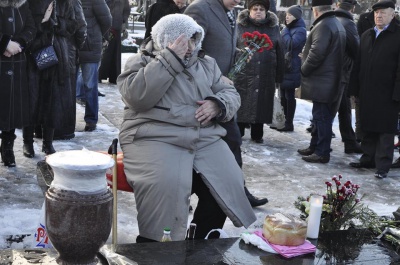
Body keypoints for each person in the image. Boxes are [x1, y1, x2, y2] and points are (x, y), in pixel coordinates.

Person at [117, 14, 256, 243]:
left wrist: (217, 104)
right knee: (165, 184)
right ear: (166, 39)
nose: (190, 47)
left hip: (203, 137)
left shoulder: (206, 64)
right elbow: (136, 97)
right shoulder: (141, 62)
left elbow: (230, 92)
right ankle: (157, 249)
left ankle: (200, 244)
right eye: (183, 41)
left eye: (194, 40)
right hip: (154, 136)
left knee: (225, 184)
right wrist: (169, 59)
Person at [185, 0, 269, 207]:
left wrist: (238, 55)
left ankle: (239, 190)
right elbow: (189, 49)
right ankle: (182, 194)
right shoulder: (200, 8)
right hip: (202, 93)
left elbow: (218, 45)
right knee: (210, 145)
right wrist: (214, 75)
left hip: (222, 94)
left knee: (232, 143)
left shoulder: (229, 12)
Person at [25, 0, 85, 156]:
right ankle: (27, 142)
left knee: (52, 100)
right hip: (34, 51)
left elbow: (75, 25)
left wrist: (55, 22)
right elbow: (24, 23)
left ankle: (48, 143)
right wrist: (43, 21)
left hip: (57, 54)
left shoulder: (68, 2)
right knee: (31, 99)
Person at [349, 0, 400, 179]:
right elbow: (358, 63)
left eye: (383, 13)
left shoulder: (397, 35)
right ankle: (367, 158)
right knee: (367, 126)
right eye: (376, 12)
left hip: (388, 92)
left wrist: (397, 93)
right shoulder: (367, 35)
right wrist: (354, 87)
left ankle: (383, 165)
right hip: (367, 89)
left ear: (392, 15)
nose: (378, 15)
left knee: (385, 130)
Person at [297, 0, 346, 164]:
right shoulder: (334, 23)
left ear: (315, 11)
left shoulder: (324, 25)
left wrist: (303, 68)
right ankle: (315, 146)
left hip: (323, 80)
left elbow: (317, 53)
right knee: (319, 116)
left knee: (322, 118)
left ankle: (322, 152)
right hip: (328, 79)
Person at [235, 0, 285, 141]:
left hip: (266, 74)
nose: (258, 11)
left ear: (266, 12)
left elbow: (280, 51)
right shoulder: (240, 26)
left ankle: (257, 134)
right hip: (243, 75)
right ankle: (239, 132)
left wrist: (279, 77)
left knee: (261, 104)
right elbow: (233, 48)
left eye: (261, 9)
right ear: (249, 10)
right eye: (255, 8)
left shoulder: (273, 28)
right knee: (242, 103)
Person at [0, 0, 36, 167]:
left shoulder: (23, 4)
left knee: (12, 107)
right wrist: (5, 43)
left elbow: (31, 28)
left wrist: (19, 43)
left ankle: (8, 146)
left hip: (18, 62)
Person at [76, 0, 112, 132]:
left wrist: (94, 34)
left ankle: (91, 120)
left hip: (90, 46)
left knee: (90, 86)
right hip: (71, 47)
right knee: (68, 87)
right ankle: (67, 120)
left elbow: (107, 21)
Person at [334, 0, 362, 154]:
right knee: (343, 108)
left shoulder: (334, 20)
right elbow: (355, 48)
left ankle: (349, 141)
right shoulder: (348, 23)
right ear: (352, 7)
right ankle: (349, 142)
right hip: (343, 71)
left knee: (332, 108)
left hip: (332, 71)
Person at [279, 5, 306, 132]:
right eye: (286, 15)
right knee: (282, 95)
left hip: (292, 67)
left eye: (289, 15)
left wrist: (284, 31)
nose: (287, 17)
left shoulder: (300, 30)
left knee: (289, 95)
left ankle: (289, 123)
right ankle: (283, 121)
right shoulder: (290, 29)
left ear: (296, 16)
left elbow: (291, 44)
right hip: (285, 66)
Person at [98, 0, 131, 85]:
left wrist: (123, 19)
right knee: (105, 52)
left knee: (115, 53)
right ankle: (100, 75)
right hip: (105, 27)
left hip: (116, 26)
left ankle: (114, 76)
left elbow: (127, 9)